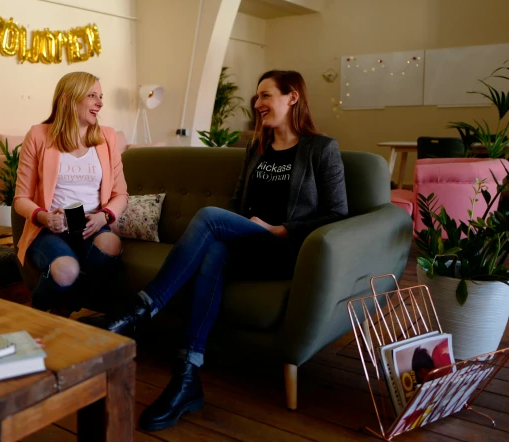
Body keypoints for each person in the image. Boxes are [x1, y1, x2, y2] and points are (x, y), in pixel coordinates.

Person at [94, 70, 348, 431]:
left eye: (266, 95)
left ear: (293, 97)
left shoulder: (322, 149)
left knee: (210, 218)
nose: (257, 104)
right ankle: (187, 377)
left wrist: (279, 229)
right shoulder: (257, 147)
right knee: (213, 251)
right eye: (256, 97)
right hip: (246, 244)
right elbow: (236, 202)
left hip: (284, 249)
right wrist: (238, 228)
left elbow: (337, 213)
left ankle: (141, 309)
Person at [14, 72, 128, 315]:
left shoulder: (107, 137)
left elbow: (121, 194)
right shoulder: (38, 135)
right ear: (67, 99)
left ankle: (61, 310)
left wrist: (104, 216)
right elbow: (20, 199)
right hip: (49, 228)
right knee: (66, 269)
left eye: (101, 96)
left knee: (112, 243)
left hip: (91, 225)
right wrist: (44, 217)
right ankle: (38, 313)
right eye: (91, 96)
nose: (100, 103)